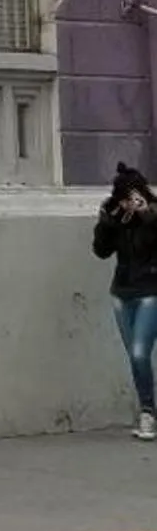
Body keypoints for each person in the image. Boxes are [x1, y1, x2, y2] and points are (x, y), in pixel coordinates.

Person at [94, 162, 157, 439]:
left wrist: (148, 216)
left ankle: (147, 414)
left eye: (134, 196)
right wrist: (106, 225)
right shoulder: (117, 218)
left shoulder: (153, 214)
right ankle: (147, 409)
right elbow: (101, 252)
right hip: (121, 293)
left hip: (150, 292)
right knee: (135, 357)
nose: (130, 203)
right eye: (124, 198)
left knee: (141, 353)